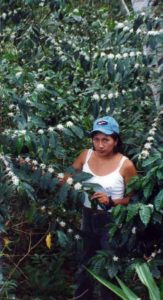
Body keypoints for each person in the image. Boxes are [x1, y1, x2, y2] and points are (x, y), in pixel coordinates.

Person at [71, 115, 137, 300]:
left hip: (112, 221)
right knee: (84, 264)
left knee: (109, 268)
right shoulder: (86, 155)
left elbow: (134, 199)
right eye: (96, 139)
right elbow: (68, 177)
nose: (100, 145)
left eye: (105, 140)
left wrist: (112, 202)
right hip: (87, 217)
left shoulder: (126, 165)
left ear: (115, 140)